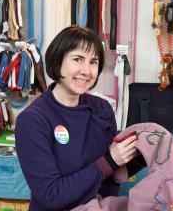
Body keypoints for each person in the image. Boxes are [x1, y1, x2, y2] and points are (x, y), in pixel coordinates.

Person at [15, 25, 144, 211]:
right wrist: (110, 160)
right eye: (78, 59)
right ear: (58, 60)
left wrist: (143, 155)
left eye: (93, 62)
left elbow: (112, 172)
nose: (86, 71)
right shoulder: (33, 120)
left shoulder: (102, 109)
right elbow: (51, 195)